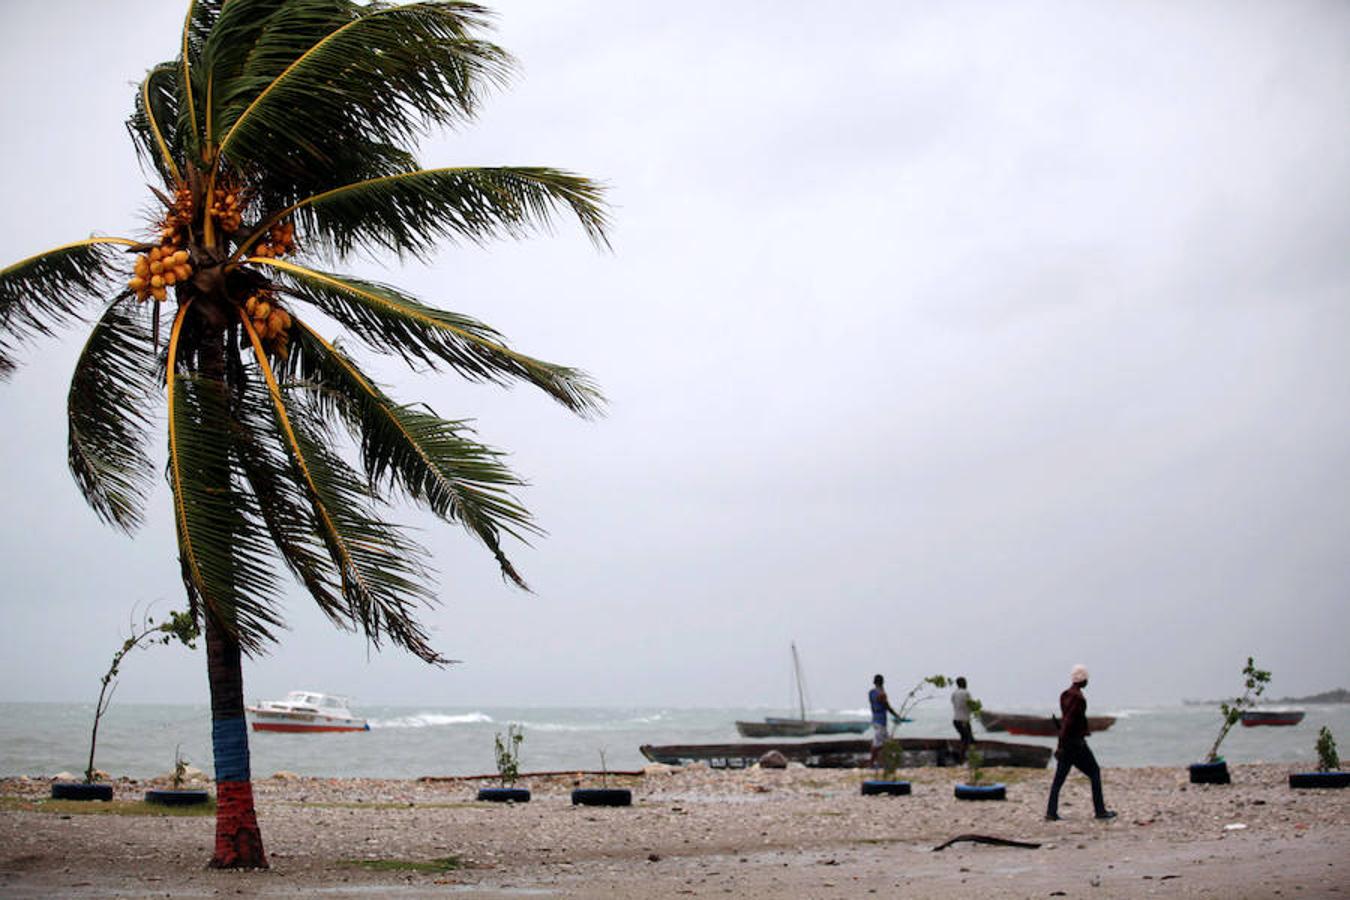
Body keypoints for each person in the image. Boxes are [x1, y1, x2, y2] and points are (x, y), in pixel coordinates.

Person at [1045, 664, 1116, 821]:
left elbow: (1064, 723)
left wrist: (1060, 746)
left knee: (1059, 779)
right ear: (1083, 681)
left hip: (1066, 744)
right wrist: (1062, 745)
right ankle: (1100, 811)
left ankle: (1051, 812)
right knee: (1095, 772)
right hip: (1075, 744)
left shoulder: (1064, 695)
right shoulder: (1078, 698)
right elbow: (1068, 723)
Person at [868, 674, 902, 767]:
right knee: (879, 744)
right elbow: (887, 706)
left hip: (875, 719)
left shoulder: (871, 693)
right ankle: (872, 762)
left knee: (886, 742)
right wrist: (897, 716)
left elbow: (873, 706)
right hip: (881, 721)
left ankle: (881, 762)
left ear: (874, 683)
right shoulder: (882, 694)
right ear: (882, 682)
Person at [951, 676, 975, 762]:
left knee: (965, 738)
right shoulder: (966, 693)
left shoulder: (954, 693)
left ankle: (963, 756)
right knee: (967, 739)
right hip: (964, 720)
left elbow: (954, 704)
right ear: (964, 684)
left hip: (956, 720)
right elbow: (971, 705)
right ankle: (961, 758)